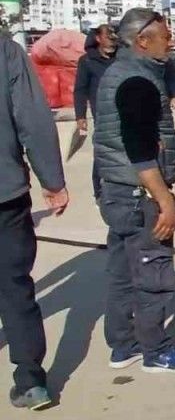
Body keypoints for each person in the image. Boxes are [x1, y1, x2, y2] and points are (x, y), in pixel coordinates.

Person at [95, 9, 175, 374]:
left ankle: (122, 345)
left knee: (122, 273)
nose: (171, 42)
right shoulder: (138, 81)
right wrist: (165, 200)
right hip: (138, 194)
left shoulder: (117, 73)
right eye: (166, 36)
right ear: (142, 41)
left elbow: (108, 138)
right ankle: (156, 351)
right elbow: (139, 148)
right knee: (152, 273)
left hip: (116, 190)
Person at [0, 31, 69, 410]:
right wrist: (53, 180)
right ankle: (30, 381)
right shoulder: (6, 52)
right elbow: (33, 118)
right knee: (14, 287)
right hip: (5, 192)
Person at [73, 24, 117, 198]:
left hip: (125, 112)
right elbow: (80, 89)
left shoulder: (122, 58)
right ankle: (99, 191)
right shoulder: (87, 61)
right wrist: (80, 116)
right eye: (108, 37)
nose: (112, 40)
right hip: (102, 115)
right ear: (98, 38)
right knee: (102, 152)